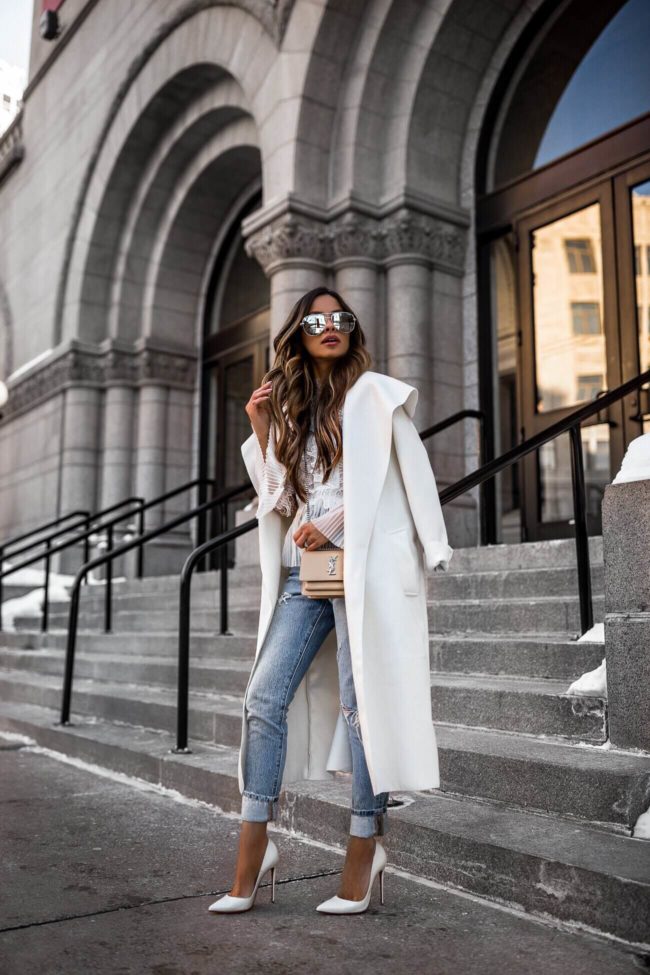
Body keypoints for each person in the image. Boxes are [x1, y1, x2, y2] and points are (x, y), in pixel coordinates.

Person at [209, 286, 452, 915]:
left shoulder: (374, 394)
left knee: (360, 702)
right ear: (298, 331)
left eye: (340, 317)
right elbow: (277, 501)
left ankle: (364, 845)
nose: (330, 326)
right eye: (316, 319)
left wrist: (339, 525)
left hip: (359, 572)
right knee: (263, 697)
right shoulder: (289, 410)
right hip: (305, 573)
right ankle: (255, 841)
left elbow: (399, 477)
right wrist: (262, 428)